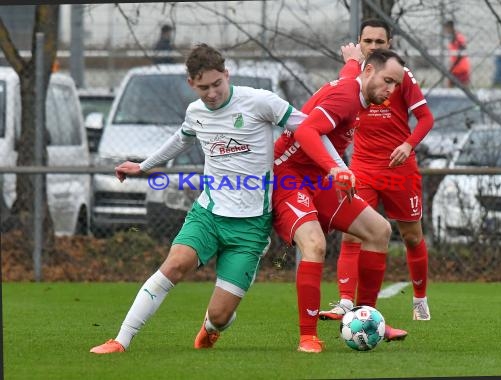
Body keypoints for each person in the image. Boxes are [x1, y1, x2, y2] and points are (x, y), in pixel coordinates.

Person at [90, 43, 309, 354]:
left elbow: (309, 127)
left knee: (220, 316)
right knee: (174, 265)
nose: (211, 93)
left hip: (250, 226)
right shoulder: (195, 112)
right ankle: (120, 340)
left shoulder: (260, 102)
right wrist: (143, 166)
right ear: (191, 84)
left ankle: (212, 327)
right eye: (203, 87)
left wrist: (336, 167)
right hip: (208, 213)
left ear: (226, 75)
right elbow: (180, 139)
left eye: (217, 84)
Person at [272, 48, 409, 353]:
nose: (391, 90)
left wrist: (352, 57)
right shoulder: (346, 98)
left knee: (380, 231)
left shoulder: (356, 83)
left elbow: (349, 71)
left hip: (319, 177)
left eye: (396, 85)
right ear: (369, 72)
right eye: (388, 80)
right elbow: (306, 130)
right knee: (315, 244)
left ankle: (368, 318)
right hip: (289, 176)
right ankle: (308, 337)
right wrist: (335, 168)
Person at [318, 19, 434, 323]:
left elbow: (425, 118)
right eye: (367, 42)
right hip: (362, 168)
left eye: (378, 42)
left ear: (389, 44)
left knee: (411, 236)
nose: (372, 47)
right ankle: (345, 302)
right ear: (360, 43)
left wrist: (408, 145)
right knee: (353, 235)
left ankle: (420, 300)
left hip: (400, 170)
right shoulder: (355, 77)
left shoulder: (402, 76)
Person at [443, 19, 470, 87]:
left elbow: (462, 49)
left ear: (451, 27)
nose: (446, 30)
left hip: (461, 68)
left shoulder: (458, 37)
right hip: (454, 69)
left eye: (447, 28)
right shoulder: (451, 38)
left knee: (464, 88)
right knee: (450, 88)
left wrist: (454, 64)